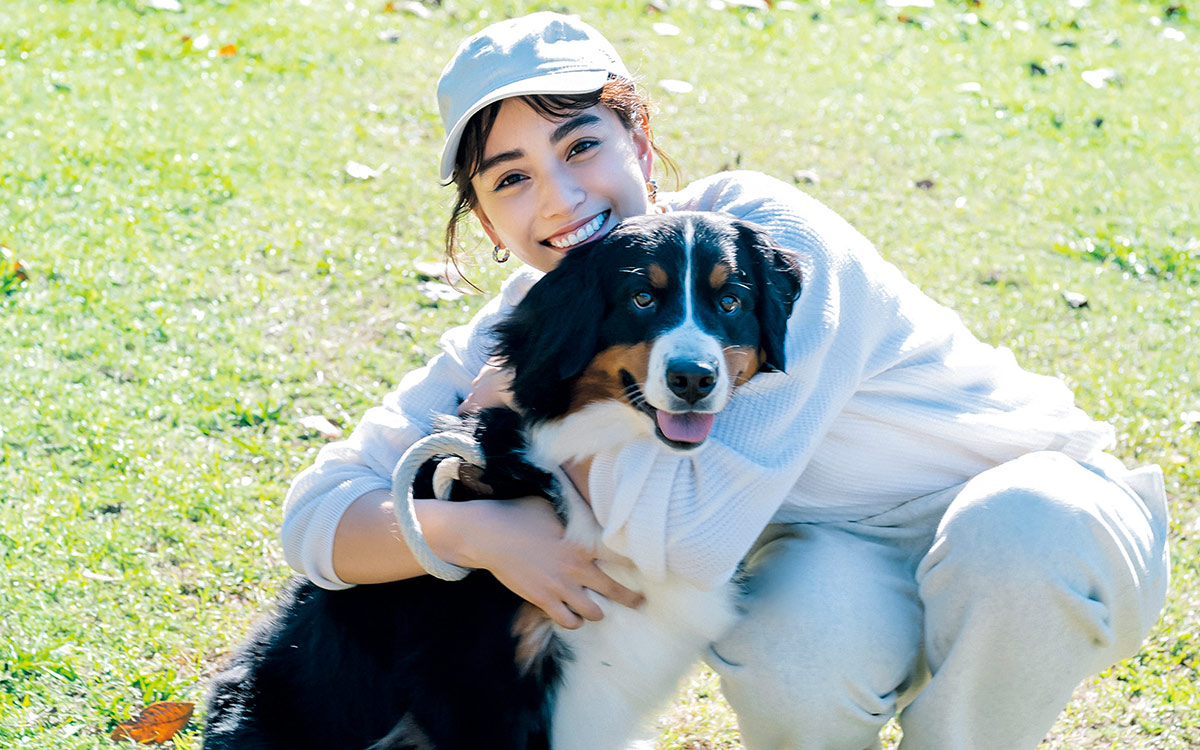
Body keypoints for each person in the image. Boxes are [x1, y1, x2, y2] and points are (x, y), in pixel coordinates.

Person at [281, 12, 1170, 750]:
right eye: (512, 179)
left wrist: (531, 405)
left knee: (1020, 529)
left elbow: (694, 539)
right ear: (483, 217)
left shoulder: (754, 242)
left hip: (1044, 527)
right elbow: (318, 515)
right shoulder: (533, 320)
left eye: (581, 144)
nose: (557, 199)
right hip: (838, 552)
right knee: (795, 643)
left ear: (640, 139)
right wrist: (473, 532)